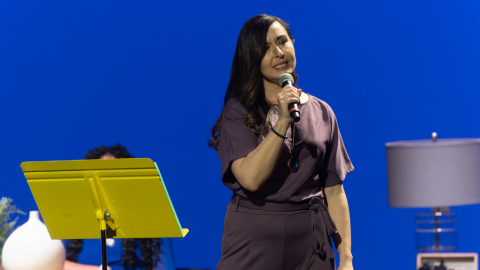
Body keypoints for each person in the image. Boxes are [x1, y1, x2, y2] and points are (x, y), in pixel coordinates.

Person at [209, 15, 354, 270]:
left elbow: (334, 191)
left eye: (282, 41)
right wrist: (282, 121)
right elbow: (250, 179)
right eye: (265, 48)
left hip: (311, 242)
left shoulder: (323, 112)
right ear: (251, 58)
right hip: (254, 239)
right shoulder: (239, 110)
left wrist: (346, 259)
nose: (278, 53)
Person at [63, 145, 175, 270]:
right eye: (99, 174)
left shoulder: (150, 221)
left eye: (113, 174)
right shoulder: (73, 221)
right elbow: (55, 263)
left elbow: (164, 267)